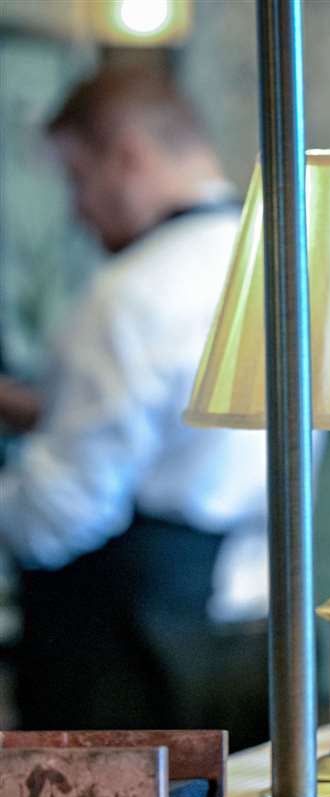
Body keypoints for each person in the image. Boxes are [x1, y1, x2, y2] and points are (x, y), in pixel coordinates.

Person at [0, 66, 268, 741]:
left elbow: (61, 515)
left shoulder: (132, 294)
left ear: (127, 157)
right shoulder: (276, 260)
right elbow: (191, 427)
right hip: (257, 632)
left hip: (128, 663)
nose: (77, 208)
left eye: (77, 178)